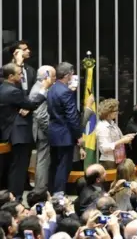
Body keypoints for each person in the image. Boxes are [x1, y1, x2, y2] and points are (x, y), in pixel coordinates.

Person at [0, 60, 50, 199]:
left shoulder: (3, 88)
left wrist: (24, 106)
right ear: (10, 76)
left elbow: (23, 105)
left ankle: (11, 196)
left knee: (14, 166)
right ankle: (16, 197)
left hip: (10, 131)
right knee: (19, 168)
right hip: (19, 133)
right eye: (19, 74)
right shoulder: (13, 91)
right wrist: (44, 88)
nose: (22, 75)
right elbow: (32, 104)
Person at [47, 62, 85, 195]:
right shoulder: (66, 92)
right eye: (72, 74)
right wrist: (79, 135)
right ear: (67, 75)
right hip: (65, 134)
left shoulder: (52, 88)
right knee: (64, 166)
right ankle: (59, 195)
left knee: (54, 165)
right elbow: (72, 116)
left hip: (53, 132)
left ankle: (51, 192)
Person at [29, 65, 56, 191]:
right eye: (53, 76)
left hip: (43, 130)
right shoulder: (39, 90)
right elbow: (40, 115)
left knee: (44, 160)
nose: (55, 79)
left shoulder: (41, 88)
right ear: (46, 76)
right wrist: (49, 130)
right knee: (43, 161)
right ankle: (40, 190)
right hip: (43, 131)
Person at [95, 99, 135, 169]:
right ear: (108, 112)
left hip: (119, 158)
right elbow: (104, 147)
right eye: (115, 111)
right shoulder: (102, 127)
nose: (117, 112)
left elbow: (119, 138)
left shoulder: (113, 123)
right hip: (109, 161)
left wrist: (127, 137)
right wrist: (123, 140)